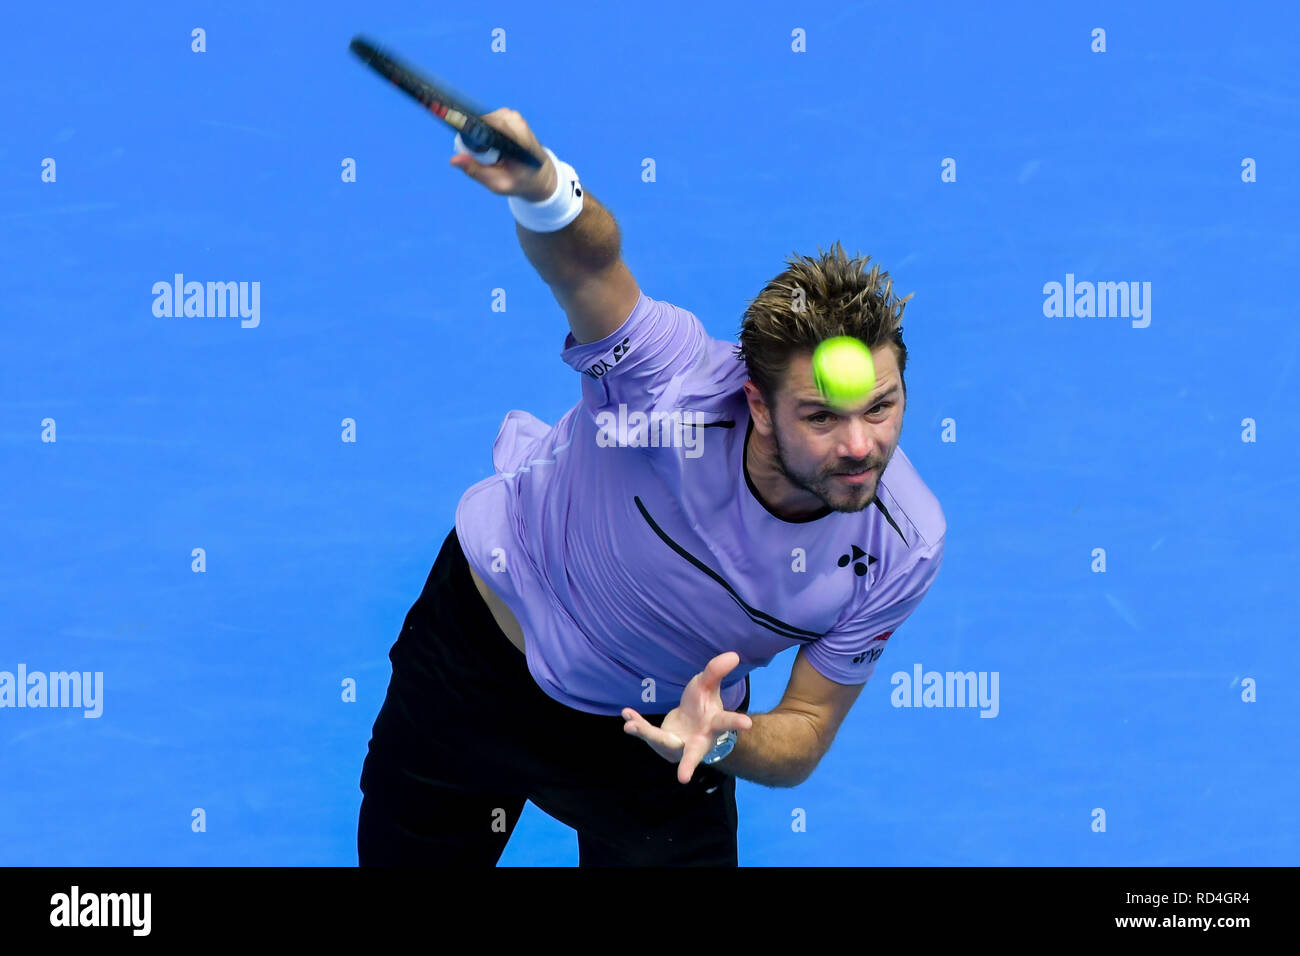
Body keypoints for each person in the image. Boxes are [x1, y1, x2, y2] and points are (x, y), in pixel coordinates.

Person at [357, 109, 946, 867]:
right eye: (822, 417)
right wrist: (548, 192)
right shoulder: (672, 383)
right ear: (758, 404)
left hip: (662, 729)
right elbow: (587, 267)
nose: (861, 445)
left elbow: (804, 730)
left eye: (882, 407)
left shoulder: (901, 545)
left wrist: (727, 737)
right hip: (478, 668)